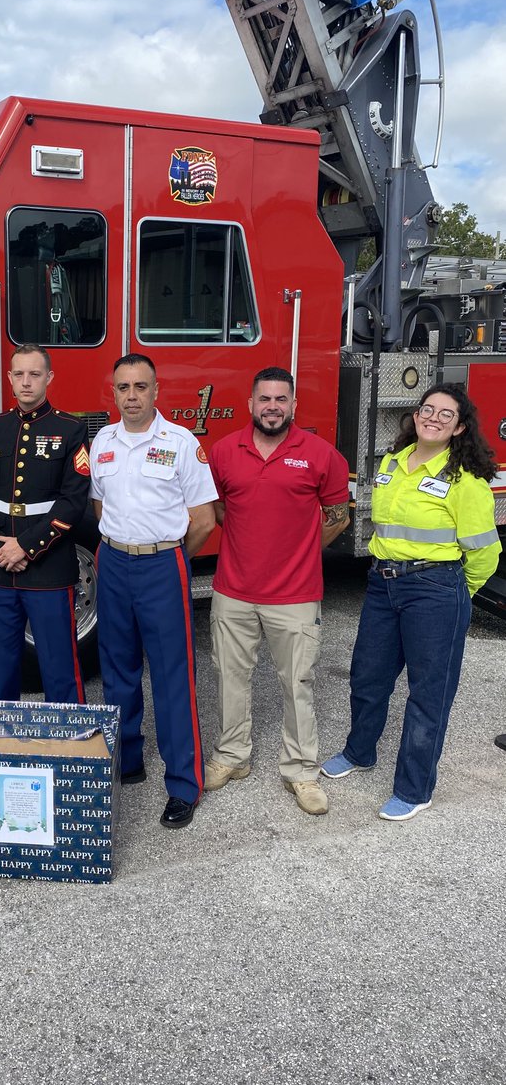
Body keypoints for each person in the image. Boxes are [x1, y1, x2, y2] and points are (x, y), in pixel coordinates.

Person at [321, 383, 501, 820]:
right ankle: (360, 752)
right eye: (428, 409)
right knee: (368, 676)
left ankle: (414, 788)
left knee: (428, 693)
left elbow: (485, 553)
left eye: (446, 414)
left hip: (436, 589)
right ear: (415, 415)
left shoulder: (465, 481)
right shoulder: (392, 463)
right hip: (384, 585)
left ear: (460, 428)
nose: (433, 418)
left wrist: (457, 594)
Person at [205, 366, 350, 816]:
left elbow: (338, 516)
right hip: (234, 591)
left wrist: (300, 550)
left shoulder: (322, 455)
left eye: (280, 399)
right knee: (230, 679)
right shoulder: (225, 452)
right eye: (264, 399)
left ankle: (301, 771)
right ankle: (233, 756)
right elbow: (218, 509)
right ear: (250, 404)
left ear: (293, 405)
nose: (272, 407)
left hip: (296, 595)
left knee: (298, 685)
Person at [90, 354, 217, 829]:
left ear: (157, 391)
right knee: (117, 669)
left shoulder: (181, 443)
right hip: (113, 560)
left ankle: (183, 784)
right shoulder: (102, 442)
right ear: (114, 392)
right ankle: (127, 760)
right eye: (123, 387)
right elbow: (100, 506)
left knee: (172, 678)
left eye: (141, 386)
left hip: (164, 565)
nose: (132, 396)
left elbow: (203, 519)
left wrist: (173, 560)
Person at [0, 344, 91, 703]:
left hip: (49, 570)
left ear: (48, 378)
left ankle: (70, 741)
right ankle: (2, 740)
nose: (26, 382)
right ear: (9, 378)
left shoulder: (70, 429)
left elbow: (73, 501)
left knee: (59, 666)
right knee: (1, 665)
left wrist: (25, 546)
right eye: (19, 374)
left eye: (35, 374)